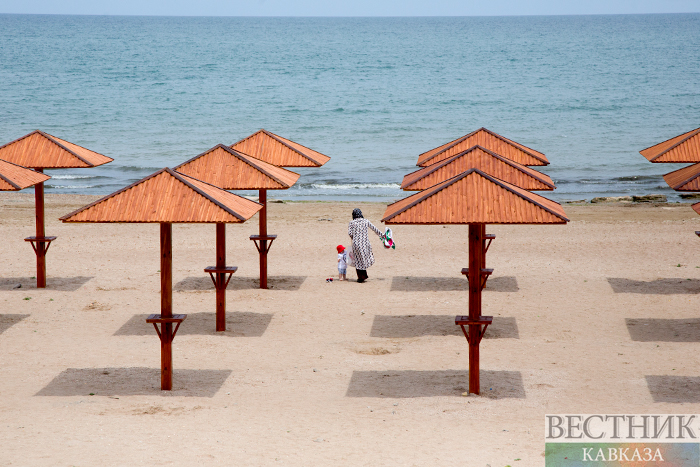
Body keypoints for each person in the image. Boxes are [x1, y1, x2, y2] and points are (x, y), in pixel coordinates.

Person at [347, 208, 383, 283]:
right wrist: (382, 235)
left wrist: (354, 237)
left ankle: (361, 277)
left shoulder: (351, 222)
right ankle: (363, 277)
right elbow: (374, 229)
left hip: (356, 244)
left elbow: (350, 233)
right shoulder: (366, 221)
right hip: (365, 243)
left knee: (358, 260)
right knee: (364, 259)